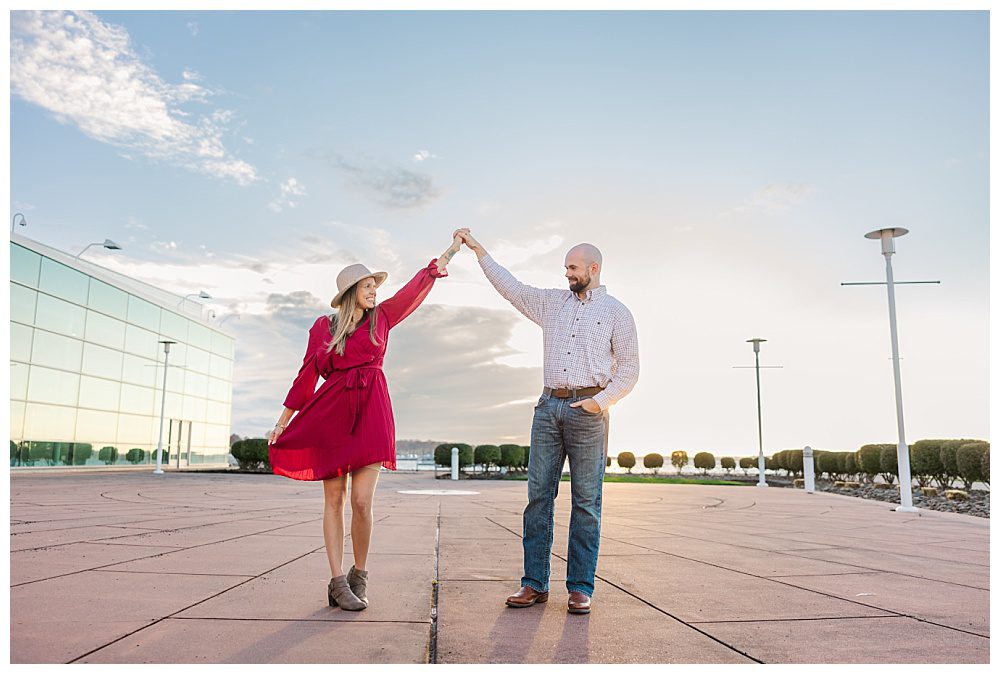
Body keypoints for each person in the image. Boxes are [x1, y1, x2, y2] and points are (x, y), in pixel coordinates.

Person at [268, 235, 461, 611]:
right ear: (352, 291)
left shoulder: (384, 317)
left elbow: (415, 288)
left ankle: (361, 574)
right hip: (331, 413)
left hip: (372, 411)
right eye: (369, 285)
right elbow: (306, 376)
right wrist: (283, 421)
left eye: (375, 286)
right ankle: (337, 580)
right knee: (335, 498)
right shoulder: (323, 328)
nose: (374, 291)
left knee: (361, 501)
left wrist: (450, 251)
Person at [454, 228, 639, 615]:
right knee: (539, 498)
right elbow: (512, 288)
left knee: (587, 502)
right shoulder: (552, 304)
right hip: (547, 409)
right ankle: (534, 583)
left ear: (594, 267)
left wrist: (599, 403)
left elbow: (630, 371)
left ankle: (580, 587)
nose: (567, 274)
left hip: (588, 413)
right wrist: (479, 250)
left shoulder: (617, 313)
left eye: (572, 268)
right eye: (565, 268)